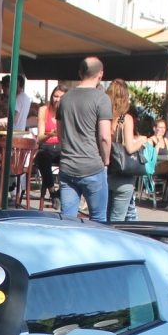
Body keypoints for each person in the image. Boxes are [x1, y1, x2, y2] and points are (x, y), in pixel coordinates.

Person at [55, 57, 113, 223]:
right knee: (98, 220)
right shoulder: (102, 99)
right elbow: (104, 137)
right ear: (101, 74)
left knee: (67, 220)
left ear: (80, 73)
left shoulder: (64, 99)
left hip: (67, 167)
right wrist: (106, 161)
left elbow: (60, 134)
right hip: (93, 166)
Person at [105, 79, 147, 223]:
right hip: (122, 175)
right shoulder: (125, 118)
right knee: (117, 221)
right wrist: (141, 141)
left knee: (104, 217)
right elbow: (129, 148)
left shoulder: (105, 117)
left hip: (105, 172)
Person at [34, 84, 65, 207]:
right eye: (55, 96)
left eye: (61, 97)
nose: (57, 99)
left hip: (61, 147)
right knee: (43, 158)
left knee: (69, 159)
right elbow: (40, 138)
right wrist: (51, 134)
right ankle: (53, 194)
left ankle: (62, 192)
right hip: (46, 146)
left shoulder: (66, 111)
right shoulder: (44, 110)